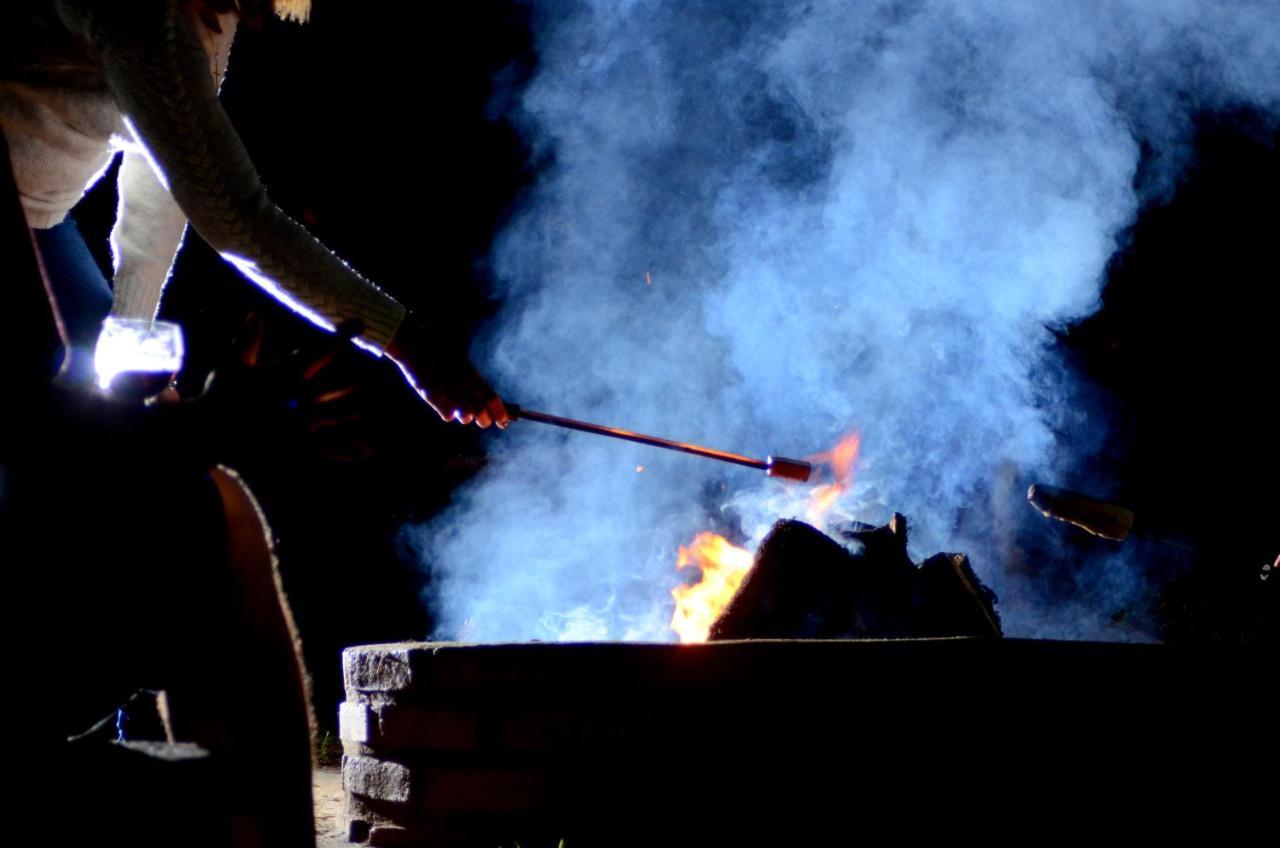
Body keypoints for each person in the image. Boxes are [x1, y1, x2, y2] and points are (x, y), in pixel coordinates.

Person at [2, 0, 509, 428]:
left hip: (42, 220)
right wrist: (409, 345)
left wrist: (130, 333)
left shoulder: (209, 19)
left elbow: (158, 182)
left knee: (126, 413)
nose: (270, 20)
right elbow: (235, 218)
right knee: (54, 415)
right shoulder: (148, 16)